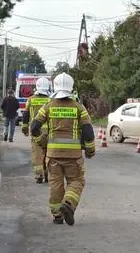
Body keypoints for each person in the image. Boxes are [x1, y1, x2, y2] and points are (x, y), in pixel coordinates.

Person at [30, 73, 95, 225]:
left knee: (55, 185)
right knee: (76, 181)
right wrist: (90, 150)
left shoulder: (48, 106)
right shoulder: (79, 108)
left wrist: (41, 142)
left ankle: (57, 216)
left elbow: (34, 127)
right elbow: (88, 131)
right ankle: (69, 203)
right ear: (71, 88)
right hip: (73, 156)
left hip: (53, 155)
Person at [22, 77, 51, 184]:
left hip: (36, 131)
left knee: (37, 153)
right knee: (48, 153)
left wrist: (25, 128)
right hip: (49, 132)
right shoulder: (51, 100)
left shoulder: (31, 99)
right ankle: (48, 173)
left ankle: (39, 175)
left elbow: (26, 115)